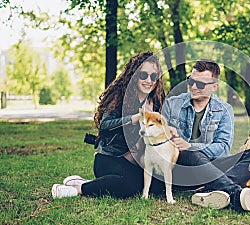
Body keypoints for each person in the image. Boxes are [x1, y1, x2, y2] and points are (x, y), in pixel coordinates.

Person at [51, 51, 166, 199]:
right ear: (134, 75)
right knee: (130, 185)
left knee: (157, 186)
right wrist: (135, 118)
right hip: (110, 158)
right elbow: (105, 126)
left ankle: (95, 183)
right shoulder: (120, 95)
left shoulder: (156, 100)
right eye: (143, 75)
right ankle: (78, 189)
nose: (149, 80)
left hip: (137, 161)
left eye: (154, 76)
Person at [162, 60, 250, 212]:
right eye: (191, 81)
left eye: (201, 84)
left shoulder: (224, 110)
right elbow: (159, 141)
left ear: (214, 87)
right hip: (180, 166)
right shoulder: (171, 104)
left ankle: (210, 189)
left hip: (211, 166)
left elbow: (223, 147)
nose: (194, 87)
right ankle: (234, 194)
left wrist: (191, 146)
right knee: (191, 154)